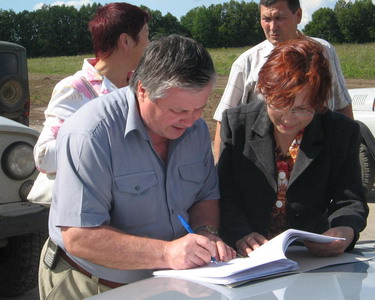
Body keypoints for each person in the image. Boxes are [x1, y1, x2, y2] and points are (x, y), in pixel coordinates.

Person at [38, 34, 236, 299]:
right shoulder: (90, 133)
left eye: (199, 109)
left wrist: (206, 233)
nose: (190, 122)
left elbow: (205, 196)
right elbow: (79, 236)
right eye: (178, 110)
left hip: (167, 283)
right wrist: (167, 253)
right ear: (142, 90)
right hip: (90, 283)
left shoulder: (196, 130)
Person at [218, 37, 368, 258]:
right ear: (264, 91)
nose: (288, 119)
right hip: (247, 255)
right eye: (279, 104)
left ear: (319, 103)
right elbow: (225, 193)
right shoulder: (237, 125)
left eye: (302, 109)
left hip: (312, 255)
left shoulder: (341, 131)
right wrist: (240, 233)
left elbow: (350, 198)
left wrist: (344, 230)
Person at [213, 0, 353, 161]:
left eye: (279, 18)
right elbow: (223, 122)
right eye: (266, 19)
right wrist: (220, 175)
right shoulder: (246, 64)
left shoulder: (325, 52)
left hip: (322, 161)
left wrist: (349, 158)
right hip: (265, 166)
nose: (272, 27)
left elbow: (342, 105)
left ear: (298, 15)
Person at [33, 3, 150, 173]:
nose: (150, 44)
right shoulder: (75, 89)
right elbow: (44, 158)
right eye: (147, 35)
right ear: (126, 41)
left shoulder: (142, 87)